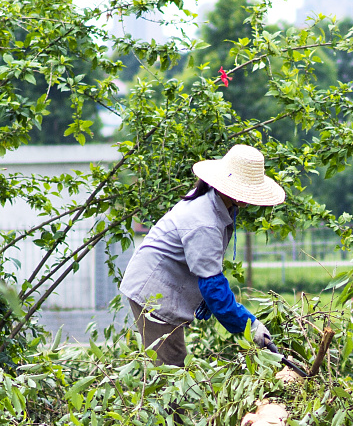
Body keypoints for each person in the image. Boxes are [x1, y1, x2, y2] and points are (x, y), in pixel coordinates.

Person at [119, 142, 284, 365]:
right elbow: (213, 285)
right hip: (154, 293)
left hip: (163, 285)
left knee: (169, 365)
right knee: (172, 370)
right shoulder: (204, 222)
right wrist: (249, 324)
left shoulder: (217, 202)